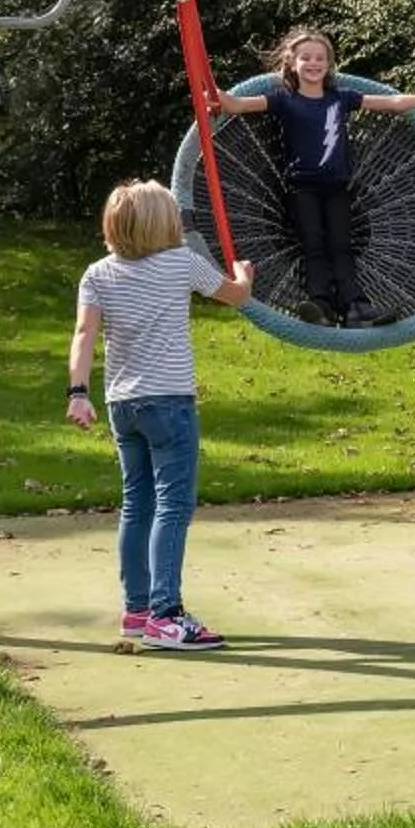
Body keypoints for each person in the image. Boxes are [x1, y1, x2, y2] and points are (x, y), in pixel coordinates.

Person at [67, 179, 255, 651]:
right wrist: (244, 274)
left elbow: (84, 334)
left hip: (120, 404)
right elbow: (235, 296)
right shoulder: (179, 263)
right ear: (163, 225)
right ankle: (166, 614)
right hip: (168, 401)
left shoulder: (97, 274)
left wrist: (78, 392)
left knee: (137, 504)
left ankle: (137, 610)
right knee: (173, 505)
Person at [211, 28, 415, 328]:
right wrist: (216, 96)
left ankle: (355, 307)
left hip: (337, 188)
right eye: (306, 58)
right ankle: (320, 305)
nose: (314, 63)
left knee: (341, 245)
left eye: (320, 58)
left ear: (329, 63)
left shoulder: (341, 98)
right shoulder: (285, 100)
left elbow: (391, 102)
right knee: (313, 244)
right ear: (292, 62)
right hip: (302, 189)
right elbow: (239, 106)